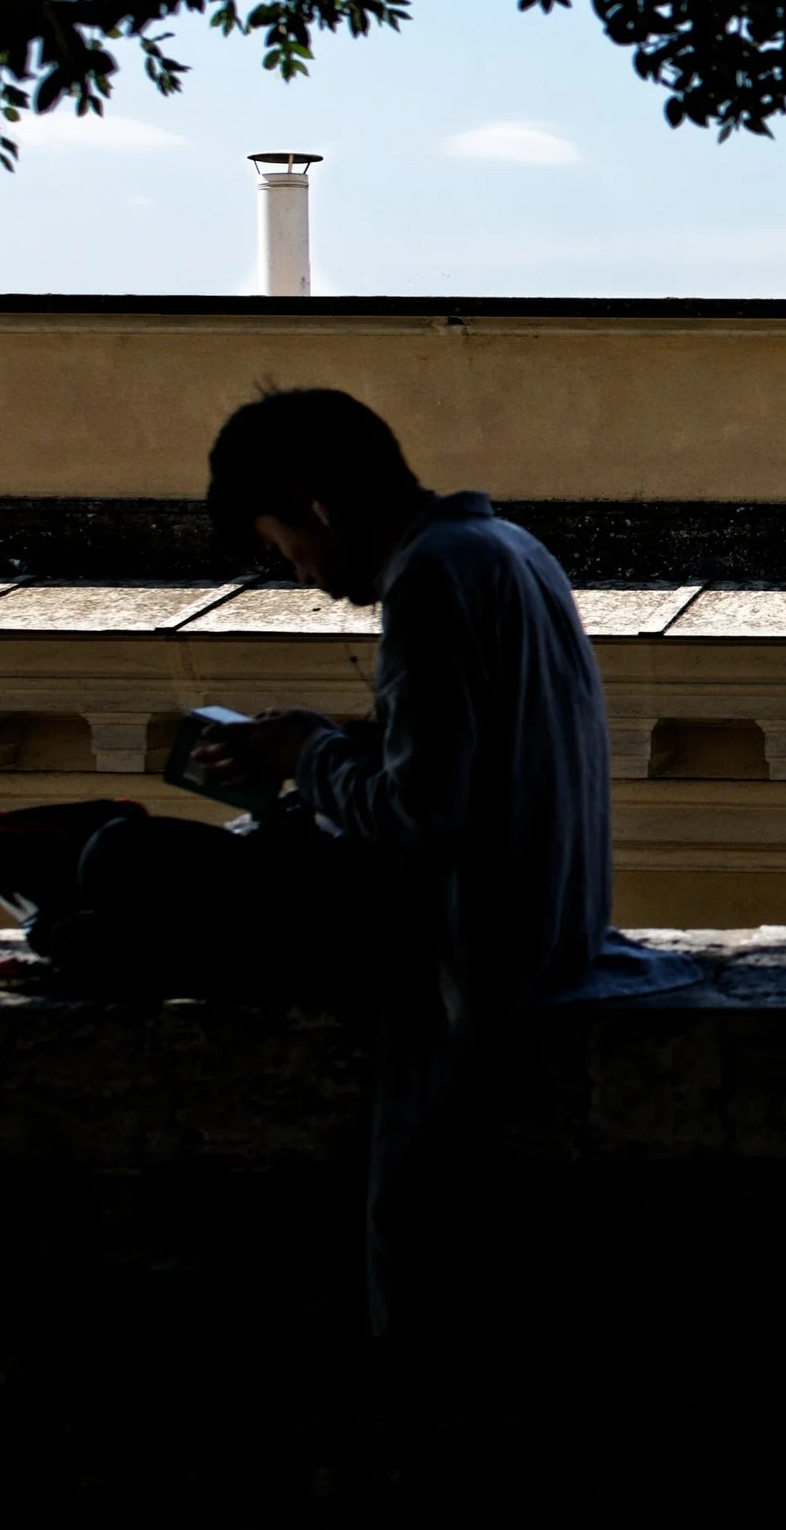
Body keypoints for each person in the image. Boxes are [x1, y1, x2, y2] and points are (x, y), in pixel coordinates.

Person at [173, 386, 701, 1336]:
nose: (299, 576)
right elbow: (472, 752)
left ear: (315, 504)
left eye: (285, 547)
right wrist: (331, 741)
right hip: (557, 932)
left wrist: (305, 754)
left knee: (417, 1247)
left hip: (476, 969)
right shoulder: (507, 550)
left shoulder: (430, 579)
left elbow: (422, 806)